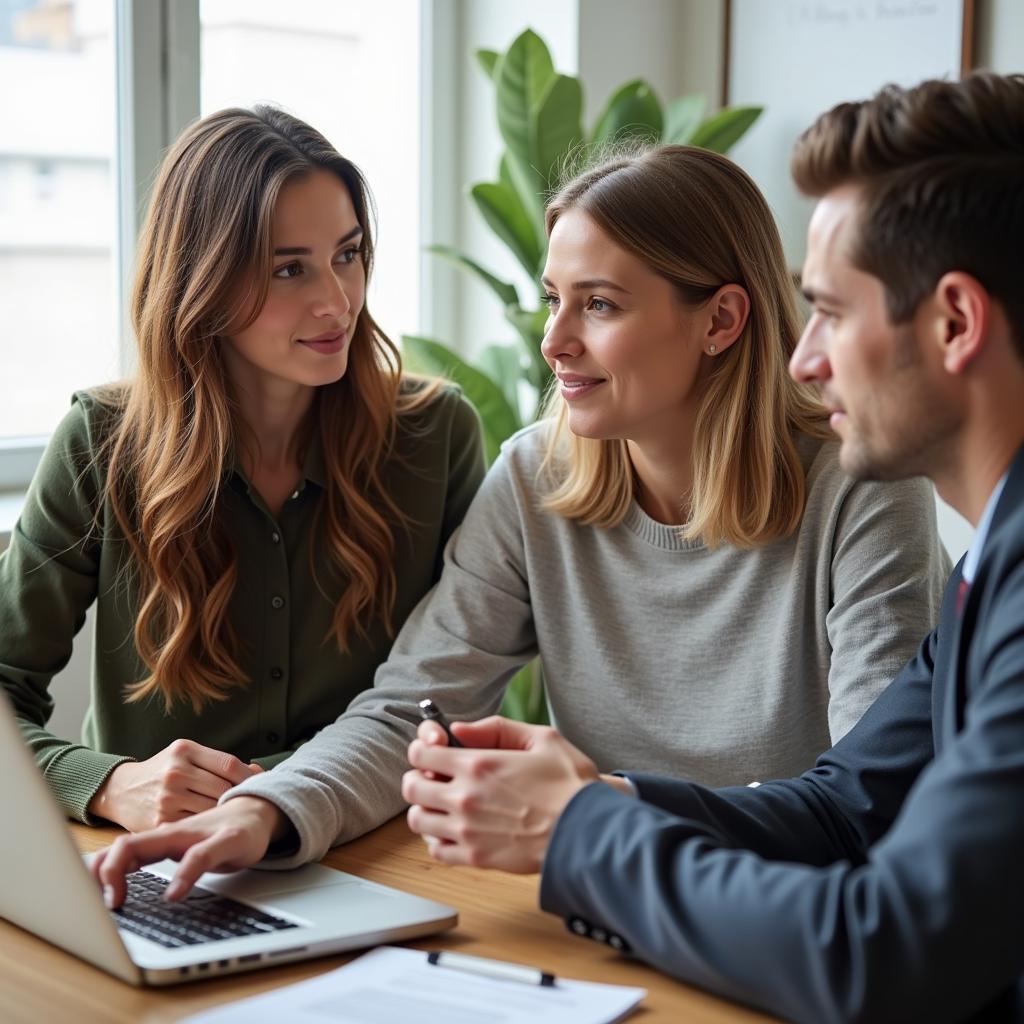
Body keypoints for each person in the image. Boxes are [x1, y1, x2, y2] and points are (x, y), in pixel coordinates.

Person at [93, 139, 949, 896]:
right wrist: (263, 814)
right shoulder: (537, 475)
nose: (554, 341)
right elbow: (410, 713)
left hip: (785, 919)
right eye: (553, 299)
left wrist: (602, 815)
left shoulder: (863, 489)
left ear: (721, 320)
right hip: (609, 901)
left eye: (601, 305)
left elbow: (873, 798)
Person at [403, 72, 1024, 1023]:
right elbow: (845, 806)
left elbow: (883, 948)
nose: (805, 357)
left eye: (832, 311)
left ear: (953, 323)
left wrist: (582, 833)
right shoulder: (994, 565)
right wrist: (599, 796)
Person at [0, 106, 485, 834]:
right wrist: (107, 785)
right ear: (202, 283)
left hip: (374, 847)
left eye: (347, 255)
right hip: (160, 865)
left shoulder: (434, 435)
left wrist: (295, 799)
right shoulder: (100, 444)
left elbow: (457, 693)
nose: (336, 301)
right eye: (289, 269)